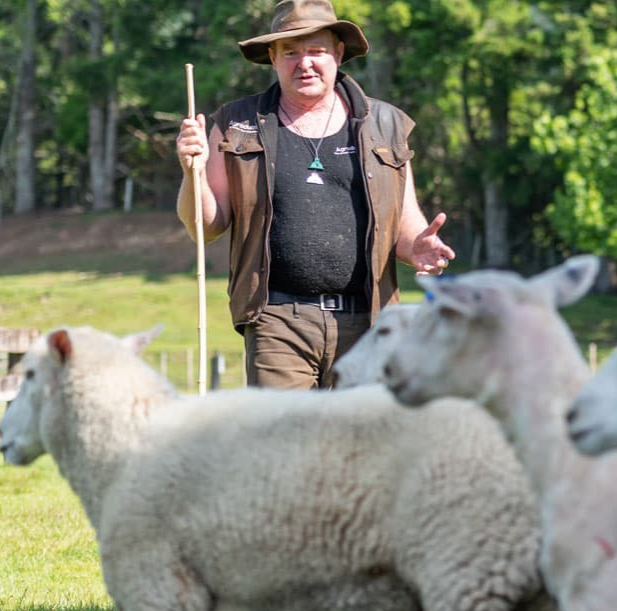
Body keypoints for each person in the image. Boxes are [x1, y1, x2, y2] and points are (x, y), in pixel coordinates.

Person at [174, 0, 454, 389]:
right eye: (290, 52)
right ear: (272, 57)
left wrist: (419, 247)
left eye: (316, 51)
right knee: (286, 443)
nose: (304, 63)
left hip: (369, 321)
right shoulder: (235, 124)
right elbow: (206, 228)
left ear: (338, 54)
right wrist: (193, 172)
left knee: (360, 444)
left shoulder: (385, 124)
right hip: (277, 319)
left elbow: (405, 224)